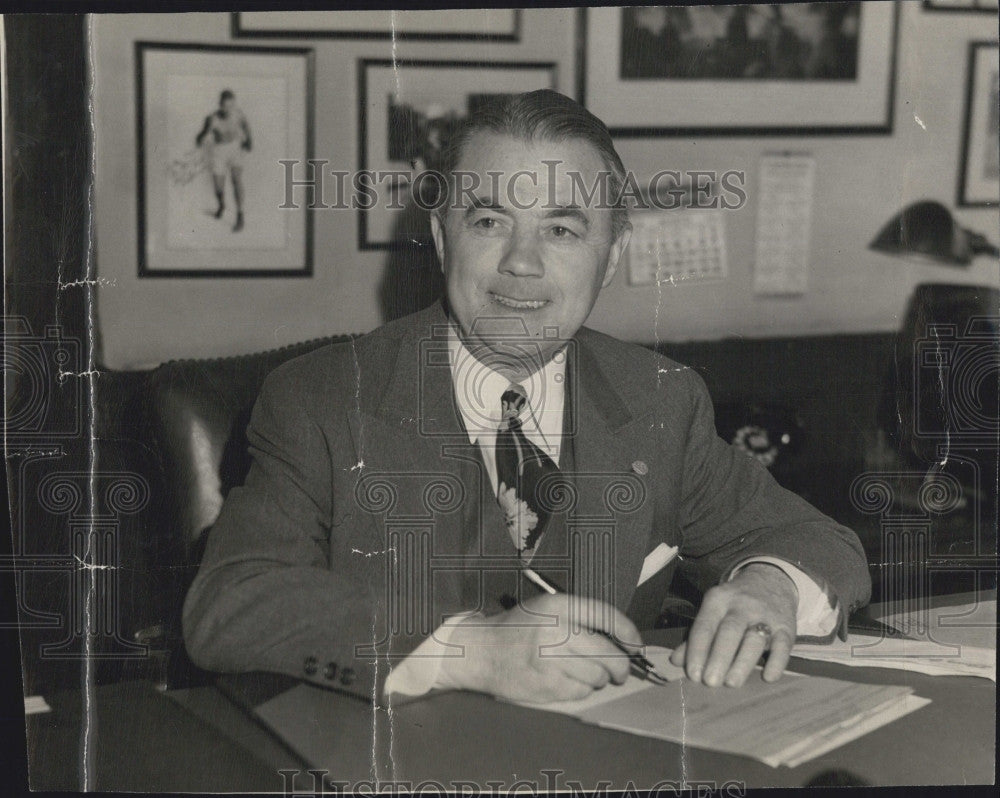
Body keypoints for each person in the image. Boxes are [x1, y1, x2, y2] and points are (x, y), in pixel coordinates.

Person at [183, 90, 870, 705]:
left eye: (562, 230)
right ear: (440, 236)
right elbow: (229, 604)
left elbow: (815, 542)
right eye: (489, 222)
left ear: (612, 254)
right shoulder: (321, 400)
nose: (522, 261)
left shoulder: (660, 400)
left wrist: (769, 587)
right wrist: (473, 651)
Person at [195, 89, 252, 232]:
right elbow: (203, 133)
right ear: (220, 105)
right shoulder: (212, 119)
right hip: (219, 151)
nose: (228, 109)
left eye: (230, 106)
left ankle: (240, 215)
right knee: (218, 188)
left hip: (234, 149)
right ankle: (221, 204)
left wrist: (249, 140)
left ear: (234, 105)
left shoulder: (238, 114)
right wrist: (199, 139)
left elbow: (246, 125)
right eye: (225, 106)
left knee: (236, 180)